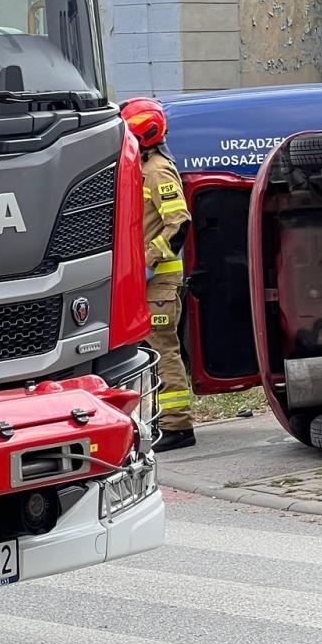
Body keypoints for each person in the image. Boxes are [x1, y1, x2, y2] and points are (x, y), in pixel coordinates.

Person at [120, 96, 196, 454]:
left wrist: (148, 260)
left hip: (159, 281)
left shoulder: (158, 171)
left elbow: (178, 225)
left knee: (163, 348)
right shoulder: (142, 168)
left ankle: (178, 425)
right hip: (144, 281)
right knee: (150, 349)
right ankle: (160, 419)